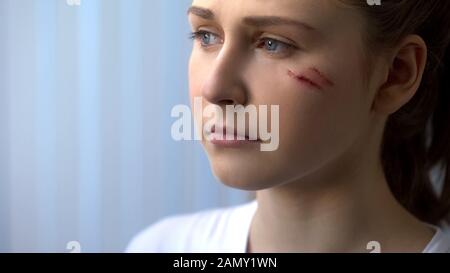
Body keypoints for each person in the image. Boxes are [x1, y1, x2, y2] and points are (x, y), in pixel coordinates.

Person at [127, 0, 450, 253]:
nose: (215, 89)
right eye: (206, 36)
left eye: (274, 44)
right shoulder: (160, 247)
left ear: (395, 74)